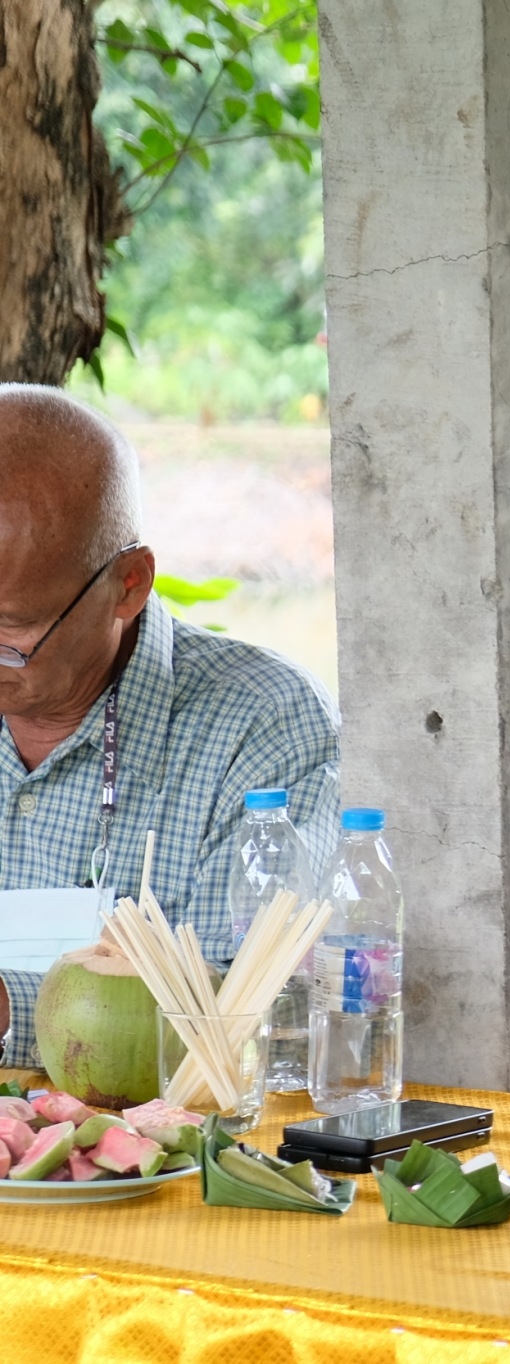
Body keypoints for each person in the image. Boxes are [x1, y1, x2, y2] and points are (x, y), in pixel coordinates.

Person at [0, 385, 338, 1069]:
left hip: (155, 1156)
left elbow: (240, 1019)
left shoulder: (263, 724)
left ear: (129, 583)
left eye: (14, 630)